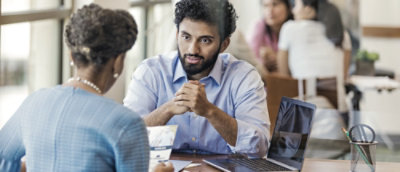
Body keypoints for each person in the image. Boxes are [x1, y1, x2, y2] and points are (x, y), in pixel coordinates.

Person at [0, 4, 173, 172]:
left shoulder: (34, 102)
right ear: (118, 61)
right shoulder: (126, 123)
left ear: (71, 56)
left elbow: (2, 158)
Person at [124, 0, 270, 157]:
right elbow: (124, 137)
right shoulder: (151, 72)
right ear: (177, 34)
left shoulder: (244, 77)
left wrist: (209, 111)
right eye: (186, 37)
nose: (193, 49)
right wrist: (167, 109)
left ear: (224, 44)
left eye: (205, 40)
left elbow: (260, 147)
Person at [248, 0, 293, 73]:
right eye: (265, 6)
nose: (270, 10)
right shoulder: (259, 25)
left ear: (288, 7)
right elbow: (250, 61)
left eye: (275, 4)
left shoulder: (295, 28)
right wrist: (263, 62)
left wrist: (277, 59)